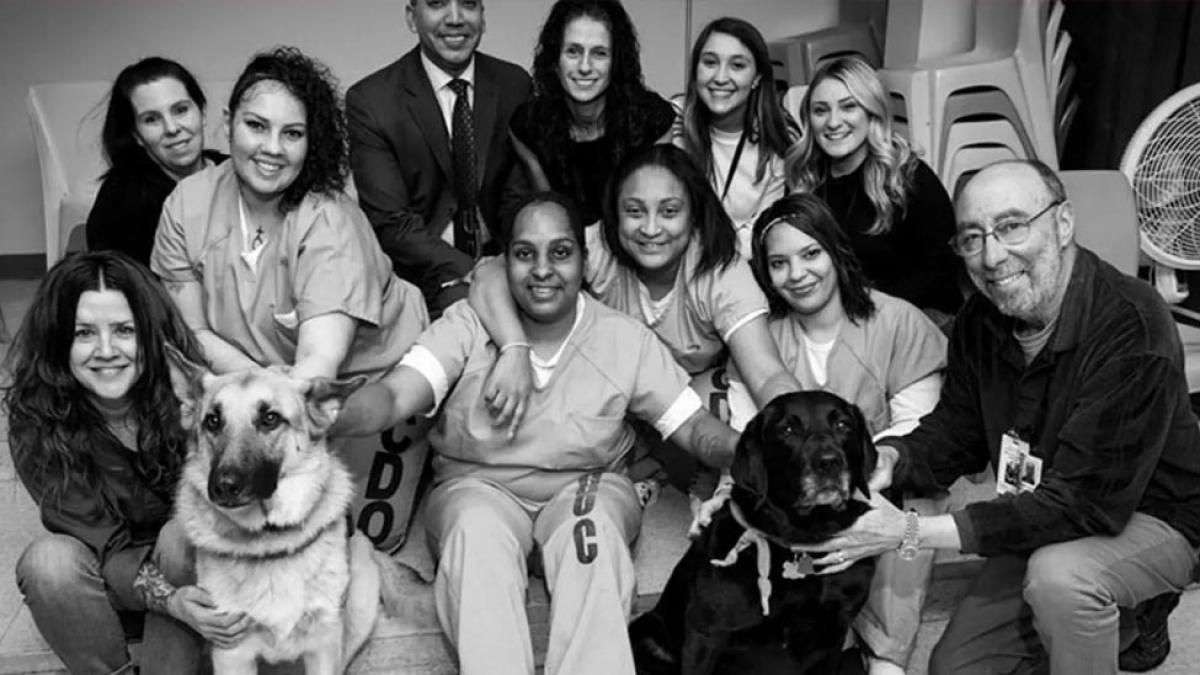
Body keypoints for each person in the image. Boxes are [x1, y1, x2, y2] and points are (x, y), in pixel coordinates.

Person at [803, 160, 1200, 675]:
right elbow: (955, 433)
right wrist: (889, 459)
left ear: (1062, 224)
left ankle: (1134, 602)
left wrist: (909, 531)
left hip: (1151, 514)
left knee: (1062, 580)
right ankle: (1126, 620)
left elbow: (1085, 505)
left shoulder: (1132, 324)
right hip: (1042, 509)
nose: (992, 256)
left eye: (1012, 226)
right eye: (972, 237)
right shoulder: (979, 322)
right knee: (956, 668)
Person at [333, 192, 741, 675]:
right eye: (525, 253)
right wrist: (324, 410)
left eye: (561, 252)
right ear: (504, 262)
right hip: (476, 490)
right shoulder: (467, 324)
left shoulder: (622, 339)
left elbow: (693, 428)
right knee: (476, 535)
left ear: (585, 261)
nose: (543, 269)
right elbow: (396, 397)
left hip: (585, 488)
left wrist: (756, 451)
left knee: (590, 536)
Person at [469, 146, 799, 477]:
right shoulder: (596, 246)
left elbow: (767, 373)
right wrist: (514, 349)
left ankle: (662, 471)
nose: (651, 229)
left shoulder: (721, 272)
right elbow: (490, 273)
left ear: (694, 214)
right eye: (635, 211)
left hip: (681, 399)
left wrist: (798, 437)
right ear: (615, 212)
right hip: (613, 393)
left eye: (669, 212)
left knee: (719, 410)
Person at [726, 193, 947, 674]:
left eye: (810, 254)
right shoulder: (761, 340)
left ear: (835, 251)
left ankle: (887, 655)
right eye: (779, 263)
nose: (798, 274)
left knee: (914, 504)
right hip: (798, 495)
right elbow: (747, 434)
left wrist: (867, 471)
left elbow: (922, 427)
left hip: (880, 480)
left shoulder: (896, 321)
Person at [6, 251, 248, 675]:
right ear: (57, 339)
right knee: (48, 564)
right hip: (111, 582)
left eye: (123, 331)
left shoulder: (194, 394)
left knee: (181, 532)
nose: (105, 351)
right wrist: (168, 599)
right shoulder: (36, 418)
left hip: (204, 572)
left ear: (150, 336)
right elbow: (103, 542)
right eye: (83, 333)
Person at [151, 46, 427, 383]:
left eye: (292, 134)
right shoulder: (187, 203)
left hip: (371, 385)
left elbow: (317, 365)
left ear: (312, 142)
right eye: (256, 126)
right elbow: (193, 330)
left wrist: (260, 390)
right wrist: (254, 382)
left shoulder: (329, 222)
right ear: (228, 123)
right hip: (263, 387)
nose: (272, 148)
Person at [347, 0, 532, 317]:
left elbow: (517, 193)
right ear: (411, 17)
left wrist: (508, 260)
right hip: (422, 277)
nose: (456, 18)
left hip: (506, 264)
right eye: (437, 4)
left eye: (469, 4)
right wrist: (472, 270)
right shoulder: (372, 101)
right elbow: (391, 223)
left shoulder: (514, 84)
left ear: (483, 17)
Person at [786, 56, 962, 319]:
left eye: (848, 107)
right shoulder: (806, 182)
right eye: (821, 110)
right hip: (835, 317)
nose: (833, 122)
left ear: (872, 112)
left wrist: (858, 306)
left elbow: (941, 269)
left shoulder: (909, 177)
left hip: (917, 314)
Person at [510, 0, 676, 228]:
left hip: (636, 248)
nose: (585, 67)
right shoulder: (528, 126)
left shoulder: (653, 121)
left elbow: (648, 220)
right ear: (555, 60)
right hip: (566, 251)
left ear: (615, 62)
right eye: (573, 51)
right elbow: (552, 218)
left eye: (599, 53)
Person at [673, 17, 799, 257]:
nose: (720, 77)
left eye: (737, 65)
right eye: (710, 62)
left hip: (739, 267)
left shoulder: (778, 139)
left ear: (757, 78)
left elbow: (764, 232)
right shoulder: (673, 121)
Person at [86, 57, 225, 265]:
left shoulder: (235, 171)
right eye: (151, 119)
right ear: (136, 134)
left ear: (202, 112)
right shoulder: (122, 201)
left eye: (181, 110)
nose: (171, 128)